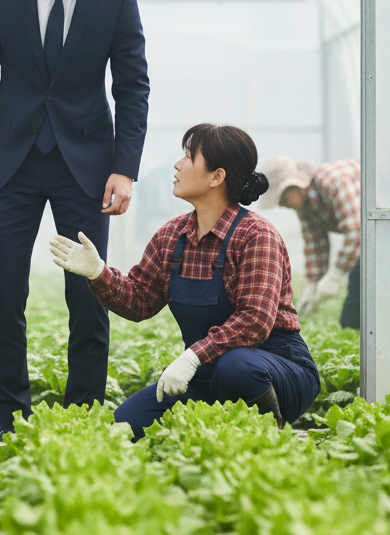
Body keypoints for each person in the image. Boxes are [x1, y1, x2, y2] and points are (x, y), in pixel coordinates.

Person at [0, 0, 149, 456]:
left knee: (89, 295)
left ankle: (83, 417)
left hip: (86, 168)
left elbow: (132, 87)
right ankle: (12, 423)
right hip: (10, 164)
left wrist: (124, 169)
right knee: (5, 295)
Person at [51, 124, 320, 440]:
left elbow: (255, 322)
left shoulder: (257, 236)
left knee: (237, 368)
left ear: (215, 177)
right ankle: (226, 428)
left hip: (276, 368)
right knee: (126, 425)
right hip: (207, 371)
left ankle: (275, 435)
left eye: (189, 157)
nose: (177, 165)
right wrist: (99, 274)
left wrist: (192, 356)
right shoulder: (171, 236)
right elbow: (139, 301)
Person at [261, 155, 360, 329]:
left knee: (359, 282)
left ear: (294, 187)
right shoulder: (305, 206)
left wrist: (334, 275)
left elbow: (357, 231)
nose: (282, 205)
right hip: (375, 227)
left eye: (282, 199)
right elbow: (315, 244)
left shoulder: (333, 182)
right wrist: (312, 285)